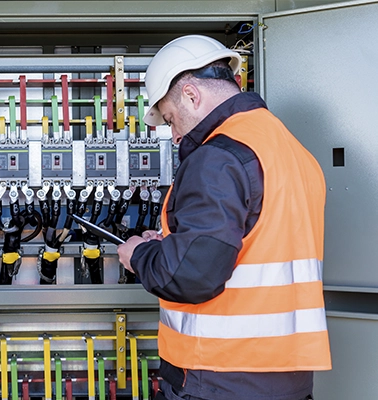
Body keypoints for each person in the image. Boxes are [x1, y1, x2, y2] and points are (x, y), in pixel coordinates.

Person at [117, 35, 331, 400]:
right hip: (286, 376)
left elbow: (192, 276)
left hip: (219, 375)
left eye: (170, 118)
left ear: (191, 95)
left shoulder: (219, 156)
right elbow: (255, 245)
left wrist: (138, 255)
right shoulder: (292, 150)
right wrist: (174, 247)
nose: (174, 133)